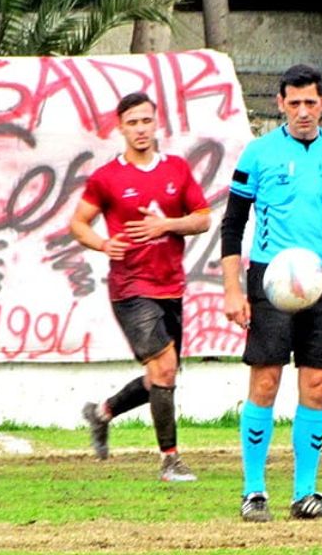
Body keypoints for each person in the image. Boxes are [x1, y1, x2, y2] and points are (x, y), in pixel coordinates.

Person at [220, 64, 322, 523]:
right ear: (280, 104)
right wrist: (233, 289)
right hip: (271, 279)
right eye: (294, 103)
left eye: (311, 103)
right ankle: (254, 492)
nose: (303, 111)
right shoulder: (258, 154)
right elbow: (232, 225)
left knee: (318, 384)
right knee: (265, 381)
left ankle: (305, 494)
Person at [71, 91, 211, 482]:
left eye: (146, 121)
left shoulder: (177, 170)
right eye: (132, 122)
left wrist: (166, 224)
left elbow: (202, 219)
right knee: (165, 370)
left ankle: (101, 413)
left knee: (158, 378)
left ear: (156, 123)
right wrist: (102, 243)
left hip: (171, 286)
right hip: (130, 287)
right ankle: (170, 461)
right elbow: (78, 222)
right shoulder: (107, 178)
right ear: (120, 128)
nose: (140, 129)